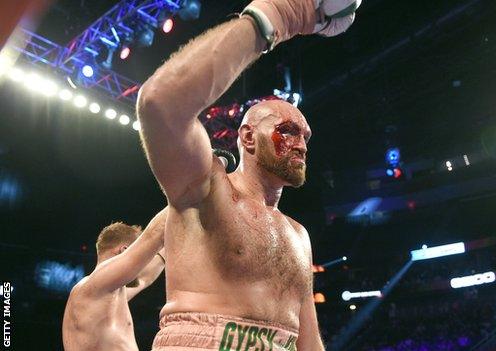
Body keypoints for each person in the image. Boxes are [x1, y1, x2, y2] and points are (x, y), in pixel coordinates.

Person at [136, 0, 360, 350]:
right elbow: (159, 103)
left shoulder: (298, 236)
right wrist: (278, 15)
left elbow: (308, 341)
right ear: (247, 137)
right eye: (287, 130)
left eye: (305, 136)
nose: (301, 144)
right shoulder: (206, 188)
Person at [62, 209, 167, 351]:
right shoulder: (93, 285)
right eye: (140, 256)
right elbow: (155, 234)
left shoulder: (111, 293)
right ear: (124, 251)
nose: (143, 264)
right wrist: (183, 200)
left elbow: (145, 278)